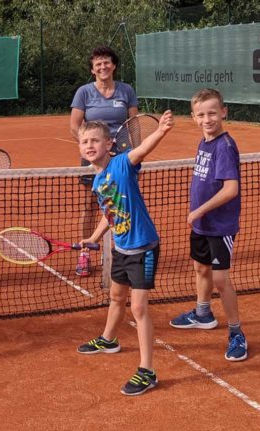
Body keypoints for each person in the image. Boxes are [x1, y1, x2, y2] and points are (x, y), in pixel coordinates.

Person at [76, 112, 174, 396]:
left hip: (143, 248)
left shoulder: (121, 164)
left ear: (109, 144)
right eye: (85, 141)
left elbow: (141, 150)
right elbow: (110, 212)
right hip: (121, 248)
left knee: (139, 308)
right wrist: (94, 238)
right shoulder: (97, 180)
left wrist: (161, 132)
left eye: (95, 140)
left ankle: (147, 371)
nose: (89, 145)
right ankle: (109, 339)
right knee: (117, 297)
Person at [168, 88, 248, 362]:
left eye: (212, 113)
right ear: (193, 117)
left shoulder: (224, 146)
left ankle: (236, 332)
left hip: (219, 226)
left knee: (220, 280)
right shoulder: (205, 142)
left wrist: (199, 210)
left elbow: (230, 189)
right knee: (200, 268)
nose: (207, 119)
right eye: (201, 115)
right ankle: (203, 313)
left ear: (223, 112)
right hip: (202, 224)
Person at [69, 46, 139, 278]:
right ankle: (85, 252)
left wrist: (133, 152)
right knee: (90, 205)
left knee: (120, 204)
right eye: (98, 64)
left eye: (106, 62)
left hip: (120, 159)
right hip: (93, 160)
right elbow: (74, 126)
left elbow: (134, 125)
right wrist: (91, 148)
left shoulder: (126, 91)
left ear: (114, 65)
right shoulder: (84, 93)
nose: (103, 67)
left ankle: (117, 250)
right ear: (92, 69)